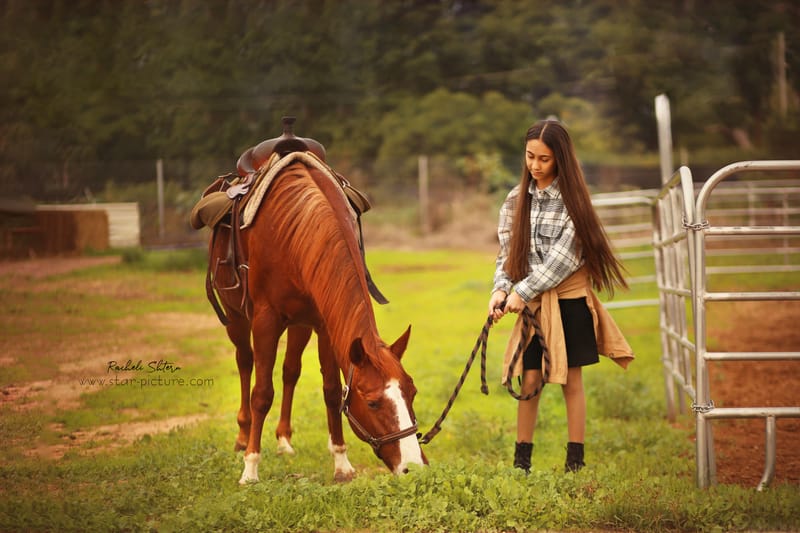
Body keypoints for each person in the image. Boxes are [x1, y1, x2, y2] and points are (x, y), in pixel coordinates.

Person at [488, 119, 634, 473]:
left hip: (568, 301)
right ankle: (521, 461)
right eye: (530, 156)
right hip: (531, 302)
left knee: (571, 379)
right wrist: (500, 288)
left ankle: (575, 460)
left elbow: (564, 259)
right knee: (531, 378)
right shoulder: (514, 200)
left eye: (545, 159)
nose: (535, 166)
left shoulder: (574, 202)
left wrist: (521, 292)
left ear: (561, 160)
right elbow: (509, 252)